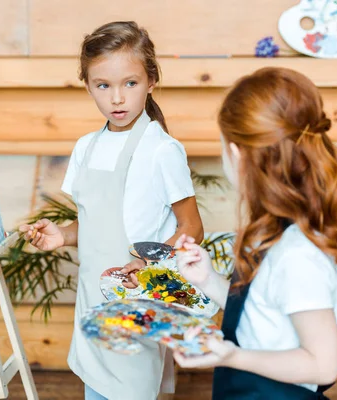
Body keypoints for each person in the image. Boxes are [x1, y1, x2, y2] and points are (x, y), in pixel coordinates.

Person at [19, 21, 203, 400]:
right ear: (87, 85)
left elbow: (191, 229)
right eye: (103, 85)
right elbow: (97, 224)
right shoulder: (86, 147)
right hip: (91, 299)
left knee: (130, 389)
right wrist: (64, 235)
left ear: (151, 80)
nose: (117, 98)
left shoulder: (161, 150)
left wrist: (146, 264)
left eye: (129, 84)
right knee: (97, 390)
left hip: (135, 299)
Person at [173, 67, 337, 399]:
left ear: (236, 153)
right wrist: (208, 280)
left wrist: (233, 356)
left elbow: (323, 365)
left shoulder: (298, 254)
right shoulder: (272, 230)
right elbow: (260, 317)